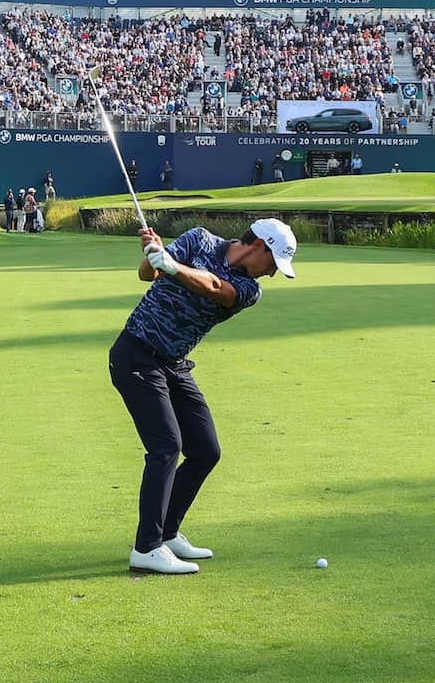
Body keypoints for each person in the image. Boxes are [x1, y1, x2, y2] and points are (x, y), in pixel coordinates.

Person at [110, 218, 298, 575]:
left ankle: (166, 533)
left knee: (205, 451)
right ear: (259, 245)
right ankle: (146, 548)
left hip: (173, 363)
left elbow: (215, 287)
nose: (272, 273)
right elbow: (146, 275)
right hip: (136, 354)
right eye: (273, 263)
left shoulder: (248, 288)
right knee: (166, 446)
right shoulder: (199, 240)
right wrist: (153, 254)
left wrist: (171, 264)